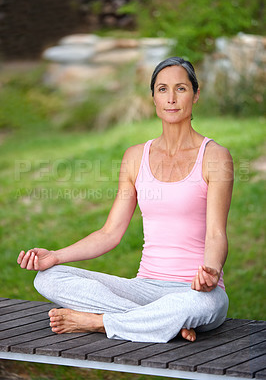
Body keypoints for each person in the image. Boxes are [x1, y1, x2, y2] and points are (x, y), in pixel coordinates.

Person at [17, 57, 234, 343]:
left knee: (201, 305)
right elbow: (110, 233)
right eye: (162, 89)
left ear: (195, 94)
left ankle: (99, 322)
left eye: (180, 89)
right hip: (144, 288)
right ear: (153, 97)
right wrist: (56, 256)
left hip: (195, 291)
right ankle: (159, 322)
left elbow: (217, 233)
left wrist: (212, 270)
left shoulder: (216, 157)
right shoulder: (135, 158)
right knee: (47, 278)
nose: (171, 98)